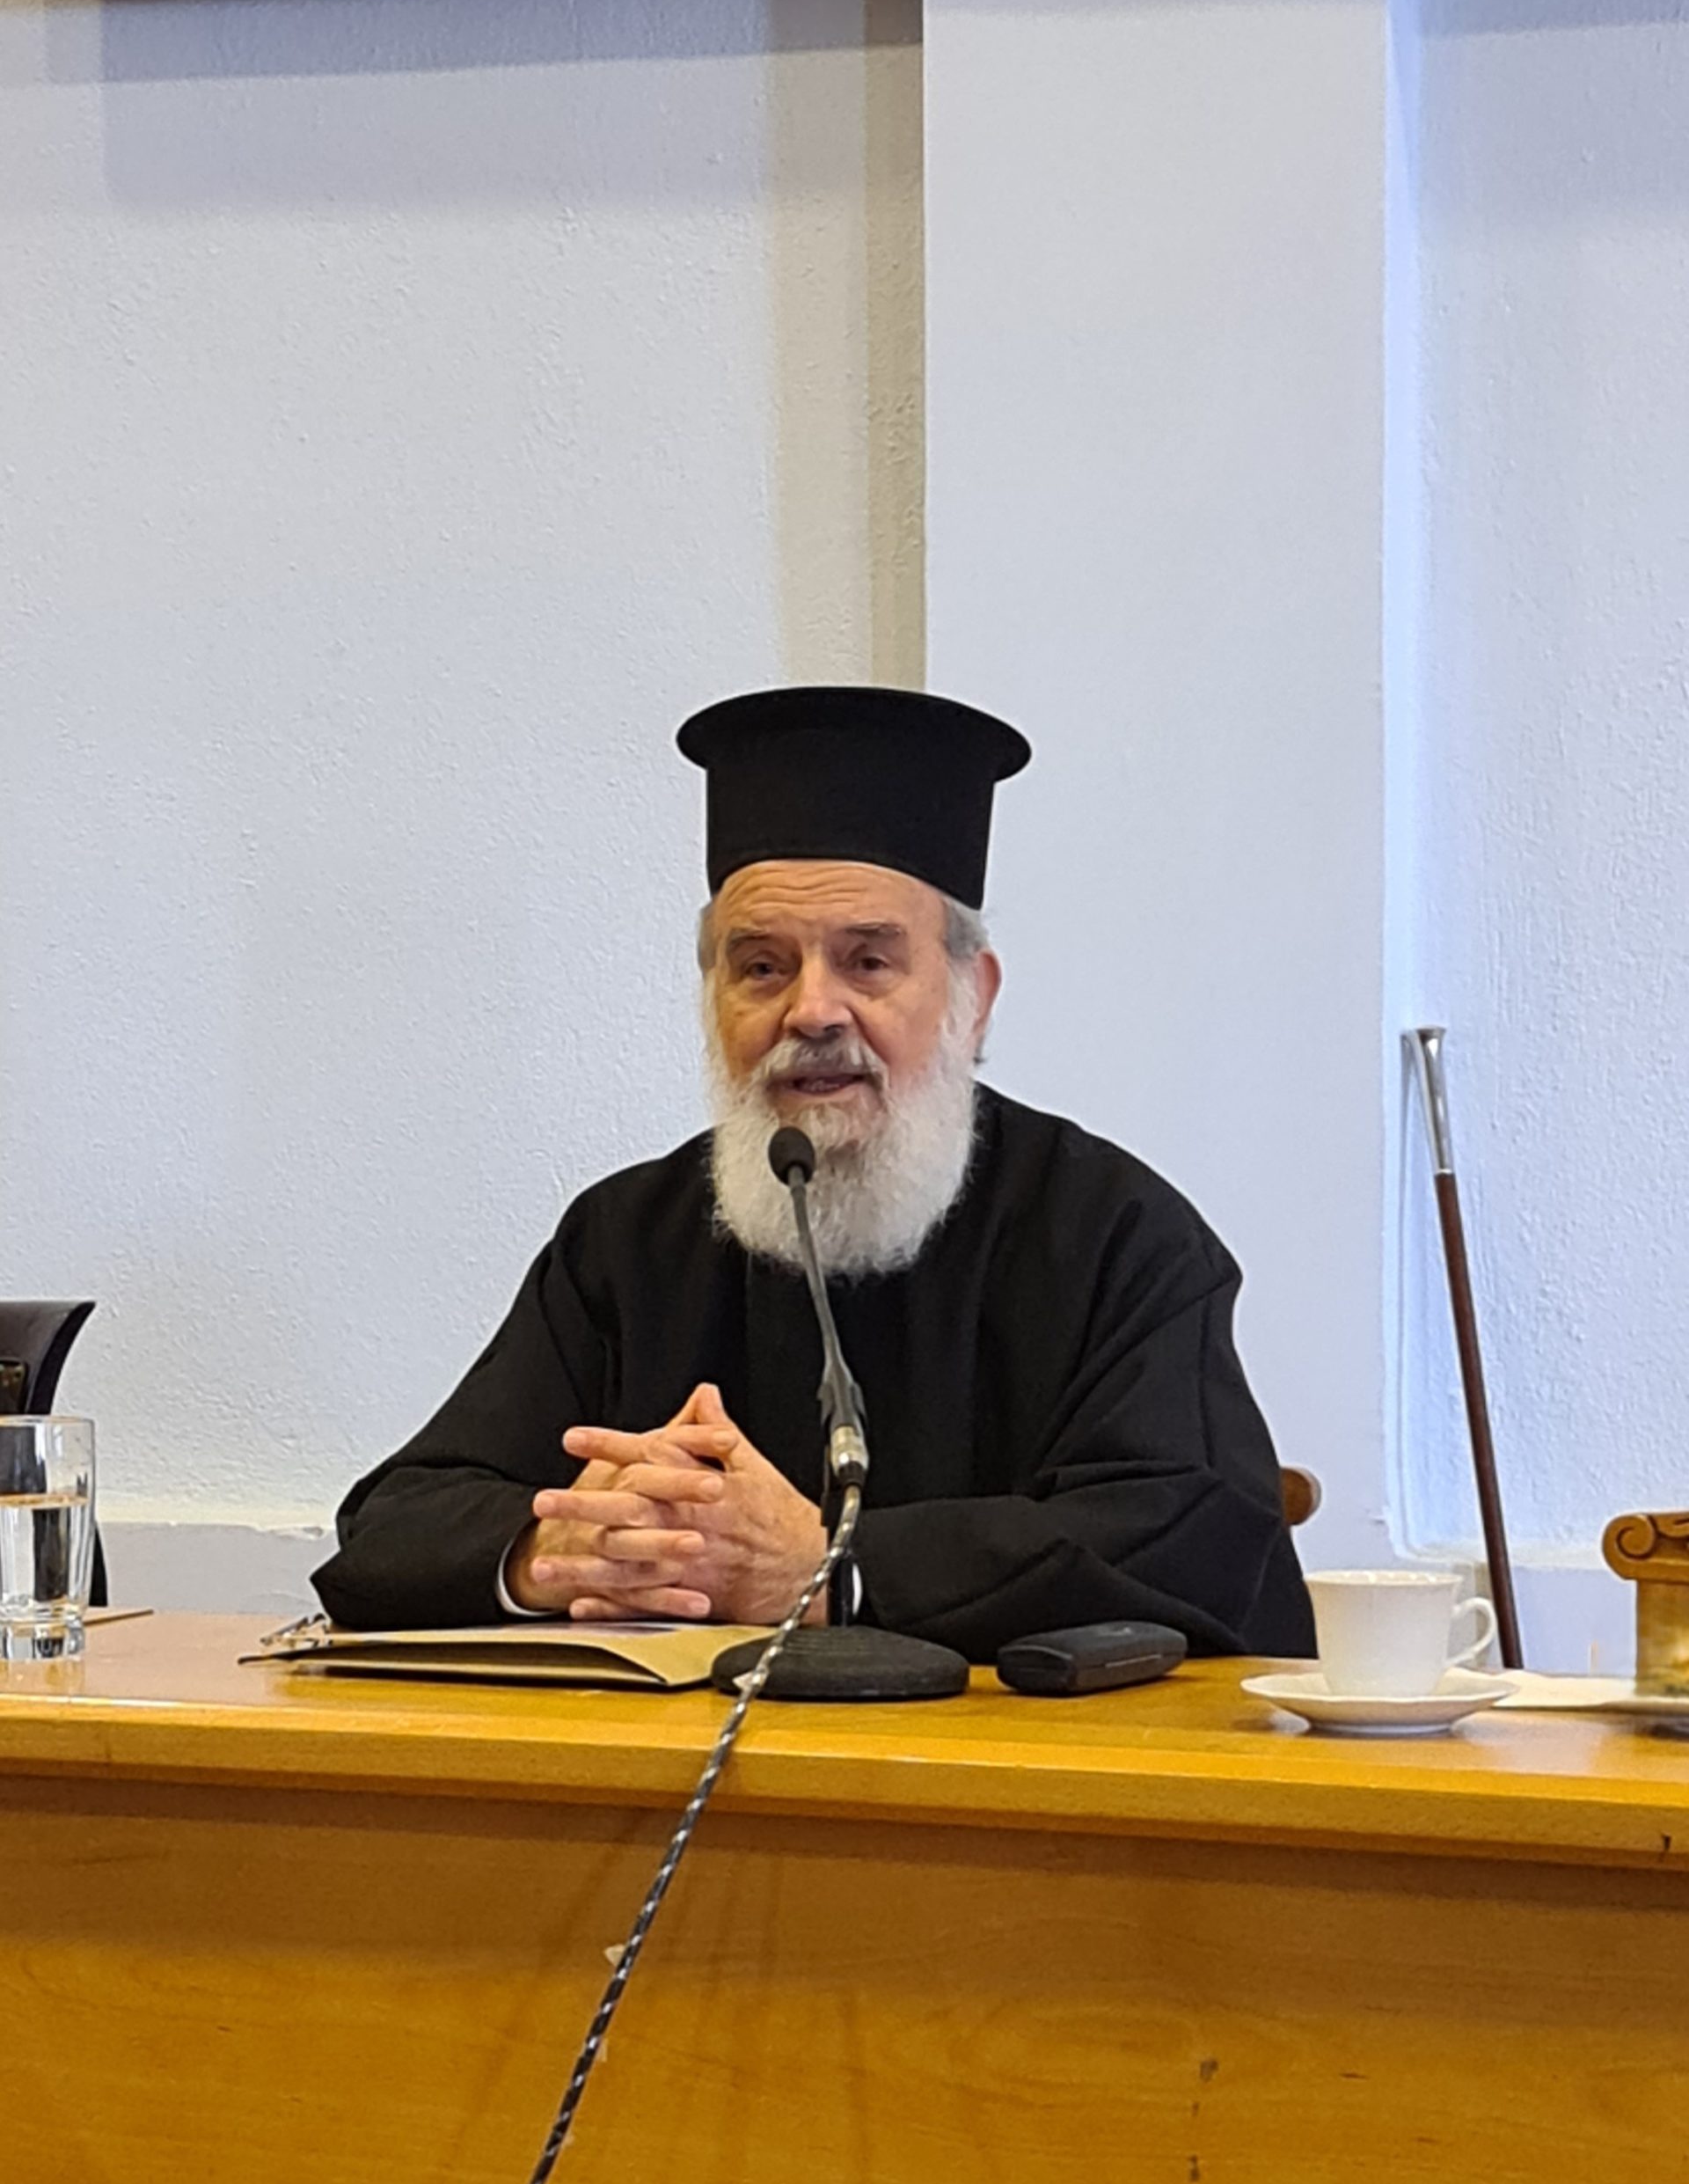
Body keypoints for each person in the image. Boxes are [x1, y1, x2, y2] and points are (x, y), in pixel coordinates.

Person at [313, 686, 1314, 1661]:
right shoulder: (627, 1241)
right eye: (762, 966)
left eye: (868, 962)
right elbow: (396, 1524)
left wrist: (833, 1570)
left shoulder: (1114, 1233)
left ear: (972, 997)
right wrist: (559, 1550)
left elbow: (1187, 1536)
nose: (813, 1011)